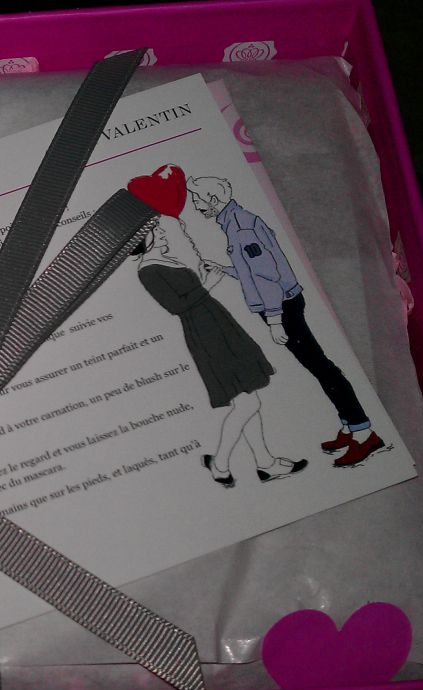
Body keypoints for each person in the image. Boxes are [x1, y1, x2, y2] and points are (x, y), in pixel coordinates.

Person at [187, 175, 388, 468]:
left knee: (323, 368)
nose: (195, 205)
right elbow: (253, 268)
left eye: (198, 199)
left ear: (214, 200)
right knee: (320, 367)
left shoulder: (241, 227)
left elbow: (266, 276)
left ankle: (364, 433)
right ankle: (350, 425)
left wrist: (274, 320)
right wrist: (225, 269)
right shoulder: (235, 222)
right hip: (282, 303)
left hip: (282, 306)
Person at [134, 214, 307, 487]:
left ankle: (265, 463)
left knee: (247, 396)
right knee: (249, 403)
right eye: (156, 231)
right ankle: (220, 464)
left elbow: (190, 294)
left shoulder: (167, 260)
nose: (163, 233)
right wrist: (208, 284)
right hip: (205, 334)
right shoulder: (147, 270)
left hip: (218, 323)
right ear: (145, 239)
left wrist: (205, 279)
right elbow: (176, 306)